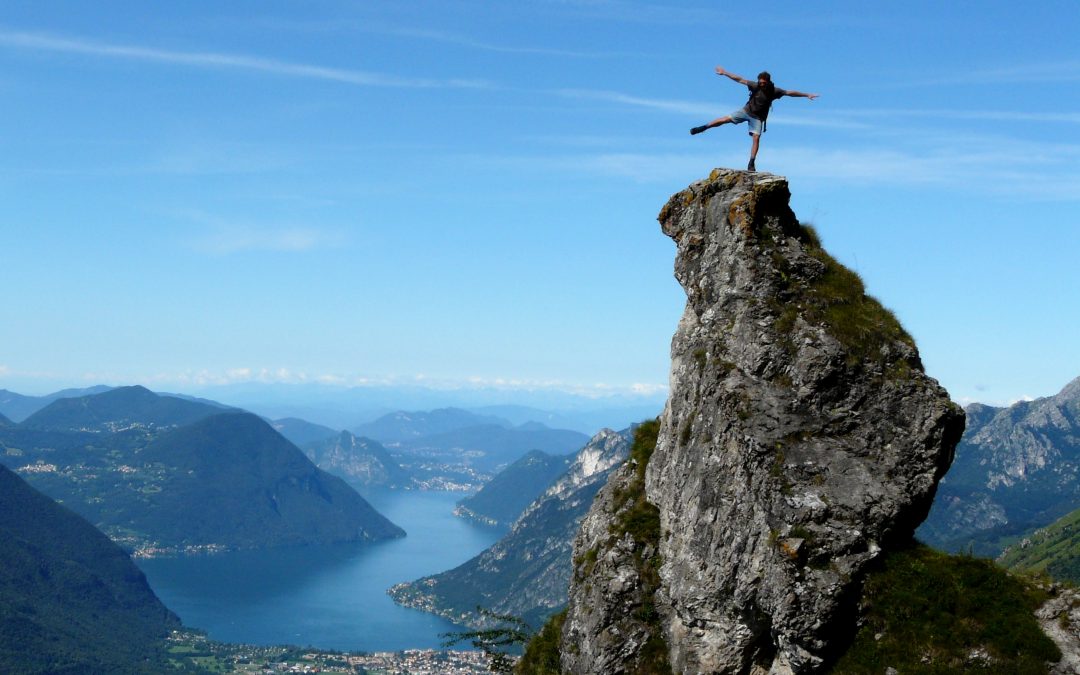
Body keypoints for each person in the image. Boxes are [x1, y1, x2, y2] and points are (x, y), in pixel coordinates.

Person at [690, 66, 819, 172]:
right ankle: (703, 127)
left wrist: (806, 95)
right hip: (746, 111)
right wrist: (725, 73)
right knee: (725, 119)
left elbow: (790, 93)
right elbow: (740, 79)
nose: (761, 85)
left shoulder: (774, 91)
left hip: (757, 118)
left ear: (768, 82)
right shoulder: (755, 85)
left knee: (756, 138)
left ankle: (751, 162)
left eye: (763, 83)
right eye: (760, 83)